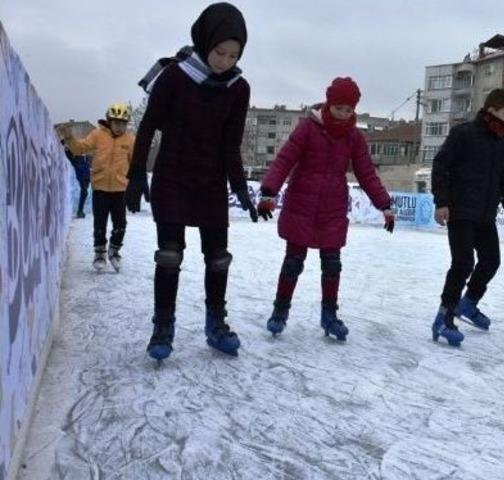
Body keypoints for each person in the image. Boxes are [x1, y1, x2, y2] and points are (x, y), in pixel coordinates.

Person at [126, 2, 258, 361]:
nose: (225, 61)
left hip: (211, 183)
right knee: (169, 256)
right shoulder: (174, 76)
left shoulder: (238, 88)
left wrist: (240, 187)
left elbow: (230, 144)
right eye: (220, 52)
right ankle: (162, 327)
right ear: (205, 42)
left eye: (233, 55)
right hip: (172, 177)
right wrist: (137, 173)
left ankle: (216, 325)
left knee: (218, 258)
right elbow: (149, 125)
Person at [256, 77, 394, 342]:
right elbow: (285, 159)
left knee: (332, 265)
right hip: (302, 204)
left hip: (332, 208)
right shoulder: (307, 128)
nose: (343, 114)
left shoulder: (354, 137)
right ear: (329, 103)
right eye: (339, 107)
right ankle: (280, 311)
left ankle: (329, 315)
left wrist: (384, 205)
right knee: (293, 263)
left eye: (349, 110)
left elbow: (366, 173)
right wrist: (269, 190)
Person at [429, 88, 504, 347]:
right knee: (463, 263)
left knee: (491, 260)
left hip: (485, 214)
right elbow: (441, 166)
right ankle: (443, 317)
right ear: (490, 110)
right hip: (460, 212)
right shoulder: (464, 134)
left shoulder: (503, 142)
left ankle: (468, 304)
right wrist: (442, 202)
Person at [58, 104, 134, 272]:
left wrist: (136, 182)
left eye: (123, 124)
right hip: (100, 189)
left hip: (120, 189)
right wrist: (69, 137)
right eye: (116, 123)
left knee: (120, 223)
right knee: (100, 224)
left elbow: (135, 163)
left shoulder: (130, 139)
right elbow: (79, 149)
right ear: (109, 122)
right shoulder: (98, 135)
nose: (120, 127)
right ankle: (100, 253)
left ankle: (114, 251)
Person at [61, 138, 92, 219]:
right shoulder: (76, 159)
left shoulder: (85, 157)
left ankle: (80, 211)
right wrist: (65, 146)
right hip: (82, 176)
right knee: (84, 192)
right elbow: (69, 154)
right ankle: (79, 211)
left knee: (84, 193)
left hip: (87, 176)